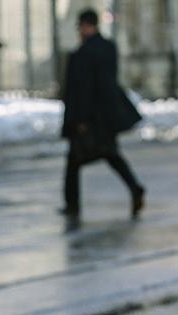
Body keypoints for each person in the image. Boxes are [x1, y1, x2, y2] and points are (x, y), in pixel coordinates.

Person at [61, 8, 145, 229]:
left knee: (76, 161)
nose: (79, 31)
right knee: (110, 155)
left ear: (87, 26)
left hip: (90, 118)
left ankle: (73, 205)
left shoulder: (85, 53)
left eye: (80, 26)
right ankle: (134, 188)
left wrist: (79, 120)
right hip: (106, 116)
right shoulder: (107, 48)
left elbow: (82, 89)